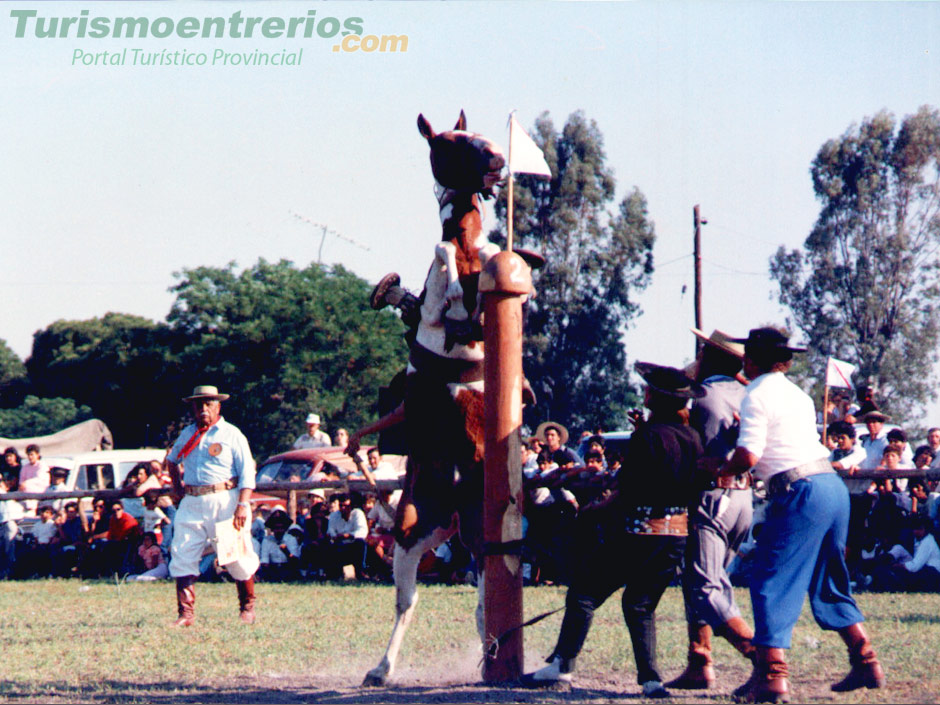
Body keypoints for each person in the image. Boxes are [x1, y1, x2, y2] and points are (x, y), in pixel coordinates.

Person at [718, 327, 884, 702]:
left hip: (800, 491)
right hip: (830, 486)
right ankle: (865, 659)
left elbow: (749, 457)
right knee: (829, 578)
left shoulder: (754, 394)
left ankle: (773, 678)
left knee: (768, 580)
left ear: (750, 359)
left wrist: (719, 469)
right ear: (786, 361)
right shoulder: (796, 393)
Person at [524, 362, 705, 699]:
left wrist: (593, 511)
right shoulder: (693, 438)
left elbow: (628, 492)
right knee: (640, 604)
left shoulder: (646, 437)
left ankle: (562, 666)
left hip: (637, 534)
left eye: (648, 388)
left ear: (655, 398)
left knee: (584, 593)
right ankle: (651, 681)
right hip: (675, 538)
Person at [668, 329, 757, 691]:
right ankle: (699, 659)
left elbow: (696, 453)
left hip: (713, 497)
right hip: (742, 499)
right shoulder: (747, 393)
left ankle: (763, 657)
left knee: (705, 587)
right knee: (706, 580)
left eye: (704, 351)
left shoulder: (704, 397)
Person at [166, 385, 260, 626]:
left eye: (209, 404)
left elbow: (247, 471)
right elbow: (171, 460)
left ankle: (246, 606)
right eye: (199, 404)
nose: (203, 409)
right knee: (183, 551)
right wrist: (177, 488)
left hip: (225, 499)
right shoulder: (188, 433)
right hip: (192, 501)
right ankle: (185, 614)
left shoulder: (231, 434)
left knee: (234, 555)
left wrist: (242, 505)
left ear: (218, 406)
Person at [19, 444, 50, 514]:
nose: (30, 457)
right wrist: (23, 484)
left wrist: (26, 483)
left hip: (39, 494)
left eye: (32, 454)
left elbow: (39, 480)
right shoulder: (25, 467)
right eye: (28, 455)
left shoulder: (42, 465)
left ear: (37, 455)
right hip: (25, 495)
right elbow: (21, 481)